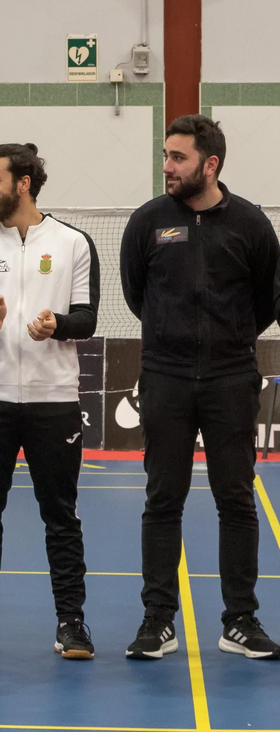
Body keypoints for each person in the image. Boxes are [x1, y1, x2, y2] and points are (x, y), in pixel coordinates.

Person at [121, 115, 279, 660]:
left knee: (236, 500)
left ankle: (240, 622)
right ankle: (156, 621)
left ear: (210, 164)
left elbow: (265, 303)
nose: (167, 166)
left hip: (231, 378)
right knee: (163, 500)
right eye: (165, 155)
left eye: (178, 158)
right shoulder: (147, 222)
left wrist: (226, 345)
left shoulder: (253, 225)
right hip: (163, 377)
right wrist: (173, 343)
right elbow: (137, 295)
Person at [0, 144, 98, 660]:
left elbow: (87, 317)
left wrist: (58, 325)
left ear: (24, 182)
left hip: (53, 402)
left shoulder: (74, 242)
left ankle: (72, 623)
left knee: (61, 515)